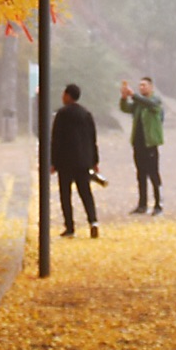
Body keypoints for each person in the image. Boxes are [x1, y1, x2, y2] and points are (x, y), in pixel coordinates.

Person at [50, 82, 103, 238]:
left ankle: (70, 227)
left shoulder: (61, 114)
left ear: (67, 95)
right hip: (83, 161)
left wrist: (52, 162)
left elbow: (56, 139)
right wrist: (94, 160)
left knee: (65, 195)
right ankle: (93, 221)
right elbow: (93, 138)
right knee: (85, 192)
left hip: (65, 161)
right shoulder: (86, 114)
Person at [117, 77, 167, 215]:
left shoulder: (155, 101)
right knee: (141, 174)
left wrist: (133, 95)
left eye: (144, 85)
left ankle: (158, 204)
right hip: (138, 143)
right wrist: (124, 97)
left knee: (153, 174)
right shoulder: (138, 104)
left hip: (150, 143)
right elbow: (125, 108)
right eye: (140, 85)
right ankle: (142, 204)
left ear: (151, 87)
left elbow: (150, 104)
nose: (142, 88)